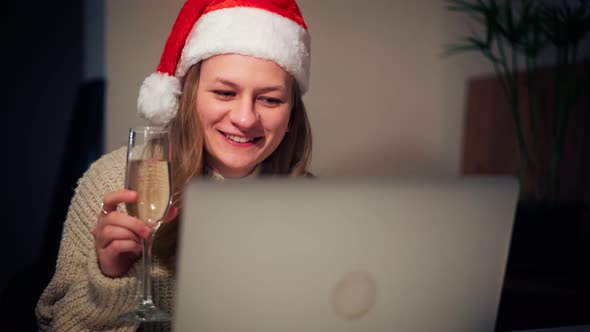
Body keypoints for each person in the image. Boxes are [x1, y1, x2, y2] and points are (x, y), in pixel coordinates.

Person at [36, 0, 313, 330]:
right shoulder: (114, 180)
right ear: (187, 97)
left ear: (291, 114)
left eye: (270, 99)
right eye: (225, 93)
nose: (244, 118)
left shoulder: (311, 201)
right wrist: (110, 277)